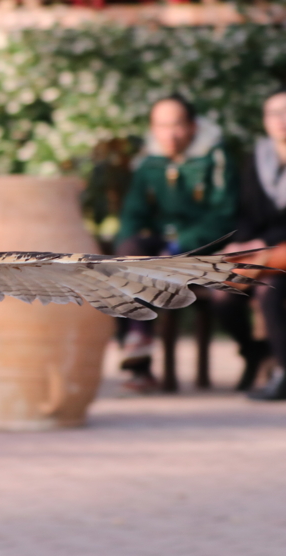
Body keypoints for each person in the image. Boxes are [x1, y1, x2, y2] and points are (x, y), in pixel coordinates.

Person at [116, 94, 243, 393]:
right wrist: (122, 255)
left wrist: (177, 248)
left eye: (177, 125)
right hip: (158, 253)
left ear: (193, 126)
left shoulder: (216, 158)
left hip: (204, 250)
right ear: (152, 128)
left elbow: (224, 217)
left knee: (137, 267)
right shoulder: (149, 163)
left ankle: (138, 356)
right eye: (161, 126)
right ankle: (139, 343)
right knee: (125, 256)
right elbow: (132, 215)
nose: (169, 135)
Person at [227, 88, 286, 400]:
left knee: (269, 293)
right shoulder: (256, 158)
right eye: (274, 113)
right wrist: (243, 243)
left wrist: (264, 242)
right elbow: (246, 211)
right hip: (263, 255)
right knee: (223, 293)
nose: (281, 120)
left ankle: (283, 373)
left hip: (280, 256)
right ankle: (256, 352)